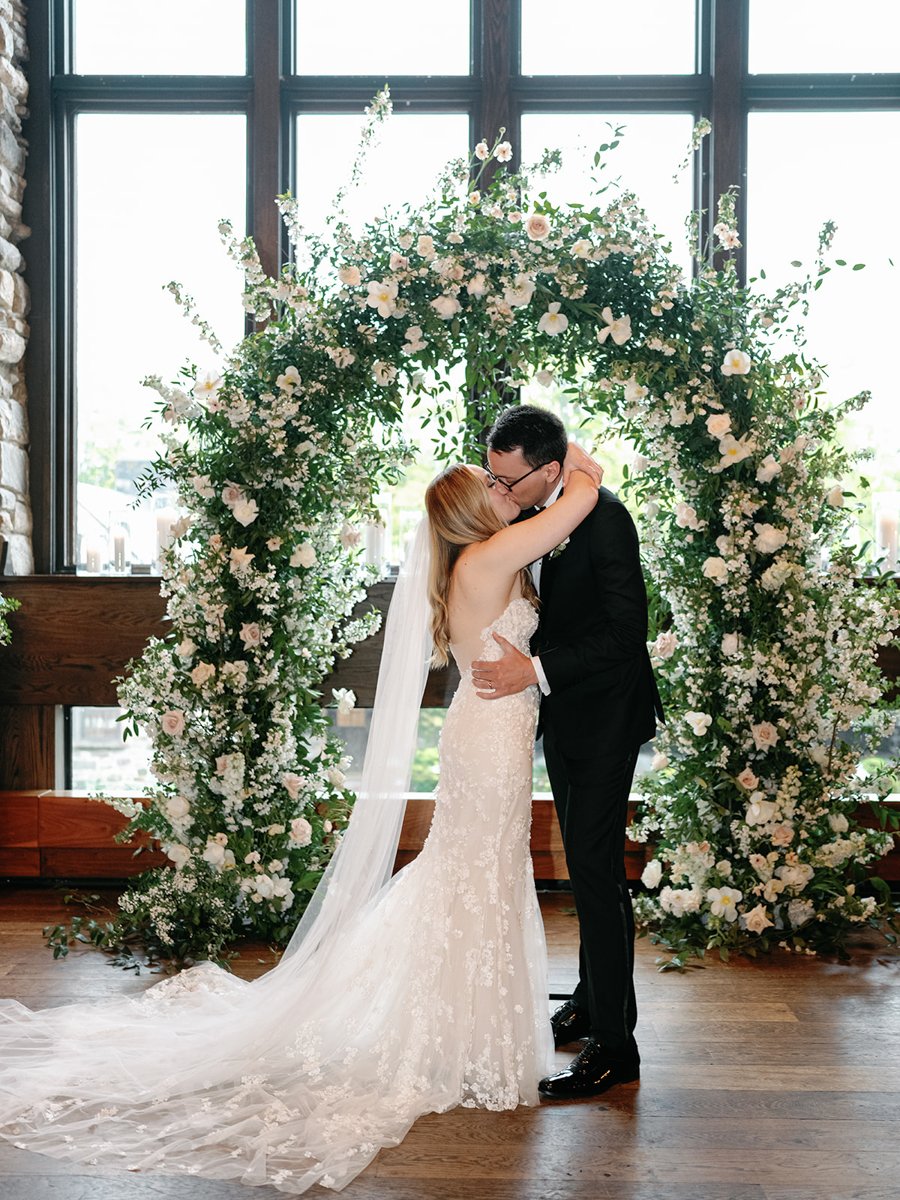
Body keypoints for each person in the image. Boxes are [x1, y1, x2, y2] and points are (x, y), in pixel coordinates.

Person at [0, 444, 602, 1194]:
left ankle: (464, 1029)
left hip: (496, 729)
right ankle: (456, 1032)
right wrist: (563, 451)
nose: (500, 484)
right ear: (473, 512)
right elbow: (582, 494)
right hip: (489, 738)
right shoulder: (486, 558)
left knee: (475, 869)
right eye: (490, 481)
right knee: (472, 870)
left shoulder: (485, 557)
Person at [473, 404, 663, 1101]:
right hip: (565, 714)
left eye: (510, 480)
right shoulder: (543, 496)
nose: (500, 491)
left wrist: (536, 671)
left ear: (549, 471)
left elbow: (626, 632)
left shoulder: (605, 517)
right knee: (585, 865)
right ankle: (588, 1003)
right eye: (493, 473)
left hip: (606, 715)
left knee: (594, 870)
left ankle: (617, 1047)